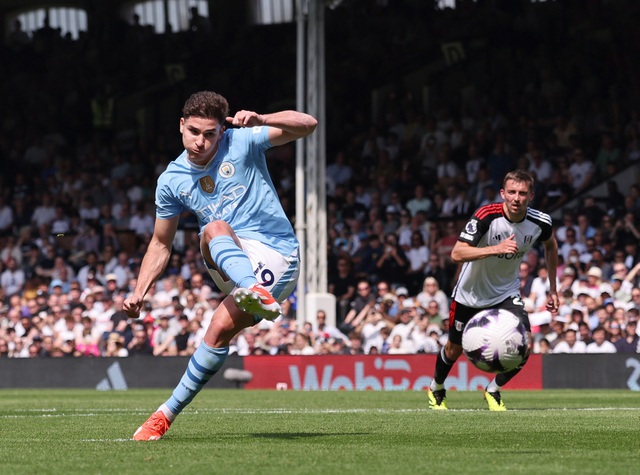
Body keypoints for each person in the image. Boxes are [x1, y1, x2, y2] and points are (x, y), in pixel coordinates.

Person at [125, 91, 317, 440]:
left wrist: (263, 118)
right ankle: (251, 288)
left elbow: (308, 125)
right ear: (181, 126)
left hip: (278, 255)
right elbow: (160, 243)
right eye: (194, 131)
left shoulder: (242, 140)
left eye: (210, 134)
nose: (201, 142)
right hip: (233, 261)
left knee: (212, 240)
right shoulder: (171, 180)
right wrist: (140, 291)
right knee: (210, 241)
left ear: (221, 131)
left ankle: (163, 417)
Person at [427, 170, 559, 411]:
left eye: (522, 193)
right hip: (470, 294)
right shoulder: (487, 216)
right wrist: (495, 248)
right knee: (454, 349)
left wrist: (553, 288)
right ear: (503, 194)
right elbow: (457, 253)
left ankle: (493, 390)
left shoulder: (541, 221)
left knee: (524, 344)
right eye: (511, 192)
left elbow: (551, 247)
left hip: (505, 293)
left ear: (531, 196)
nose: (516, 198)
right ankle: (437, 387)